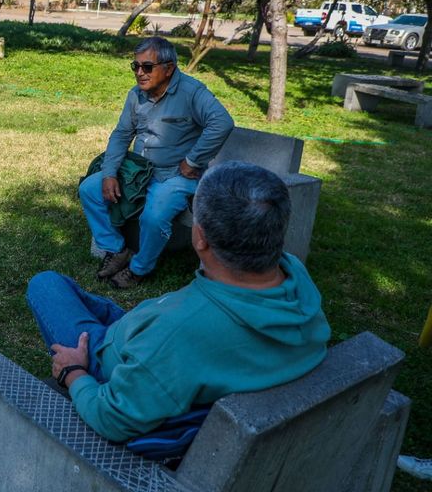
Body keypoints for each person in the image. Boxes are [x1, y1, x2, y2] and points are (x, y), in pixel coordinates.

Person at [28, 162, 330, 442]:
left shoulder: (179, 334)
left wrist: (74, 374)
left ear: (200, 239)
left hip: (118, 363)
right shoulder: (294, 276)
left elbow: (112, 418)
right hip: (156, 342)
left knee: (46, 285)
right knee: (93, 304)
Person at [79, 36, 234, 289]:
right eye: (136, 66)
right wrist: (109, 173)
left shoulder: (191, 92)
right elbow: (121, 134)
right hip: (140, 171)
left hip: (177, 176)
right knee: (90, 189)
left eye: (147, 67)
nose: (140, 73)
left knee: (154, 216)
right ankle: (116, 250)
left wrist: (193, 160)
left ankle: (140, 268)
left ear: (169, 68)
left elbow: (222, 123)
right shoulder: (135, 96)